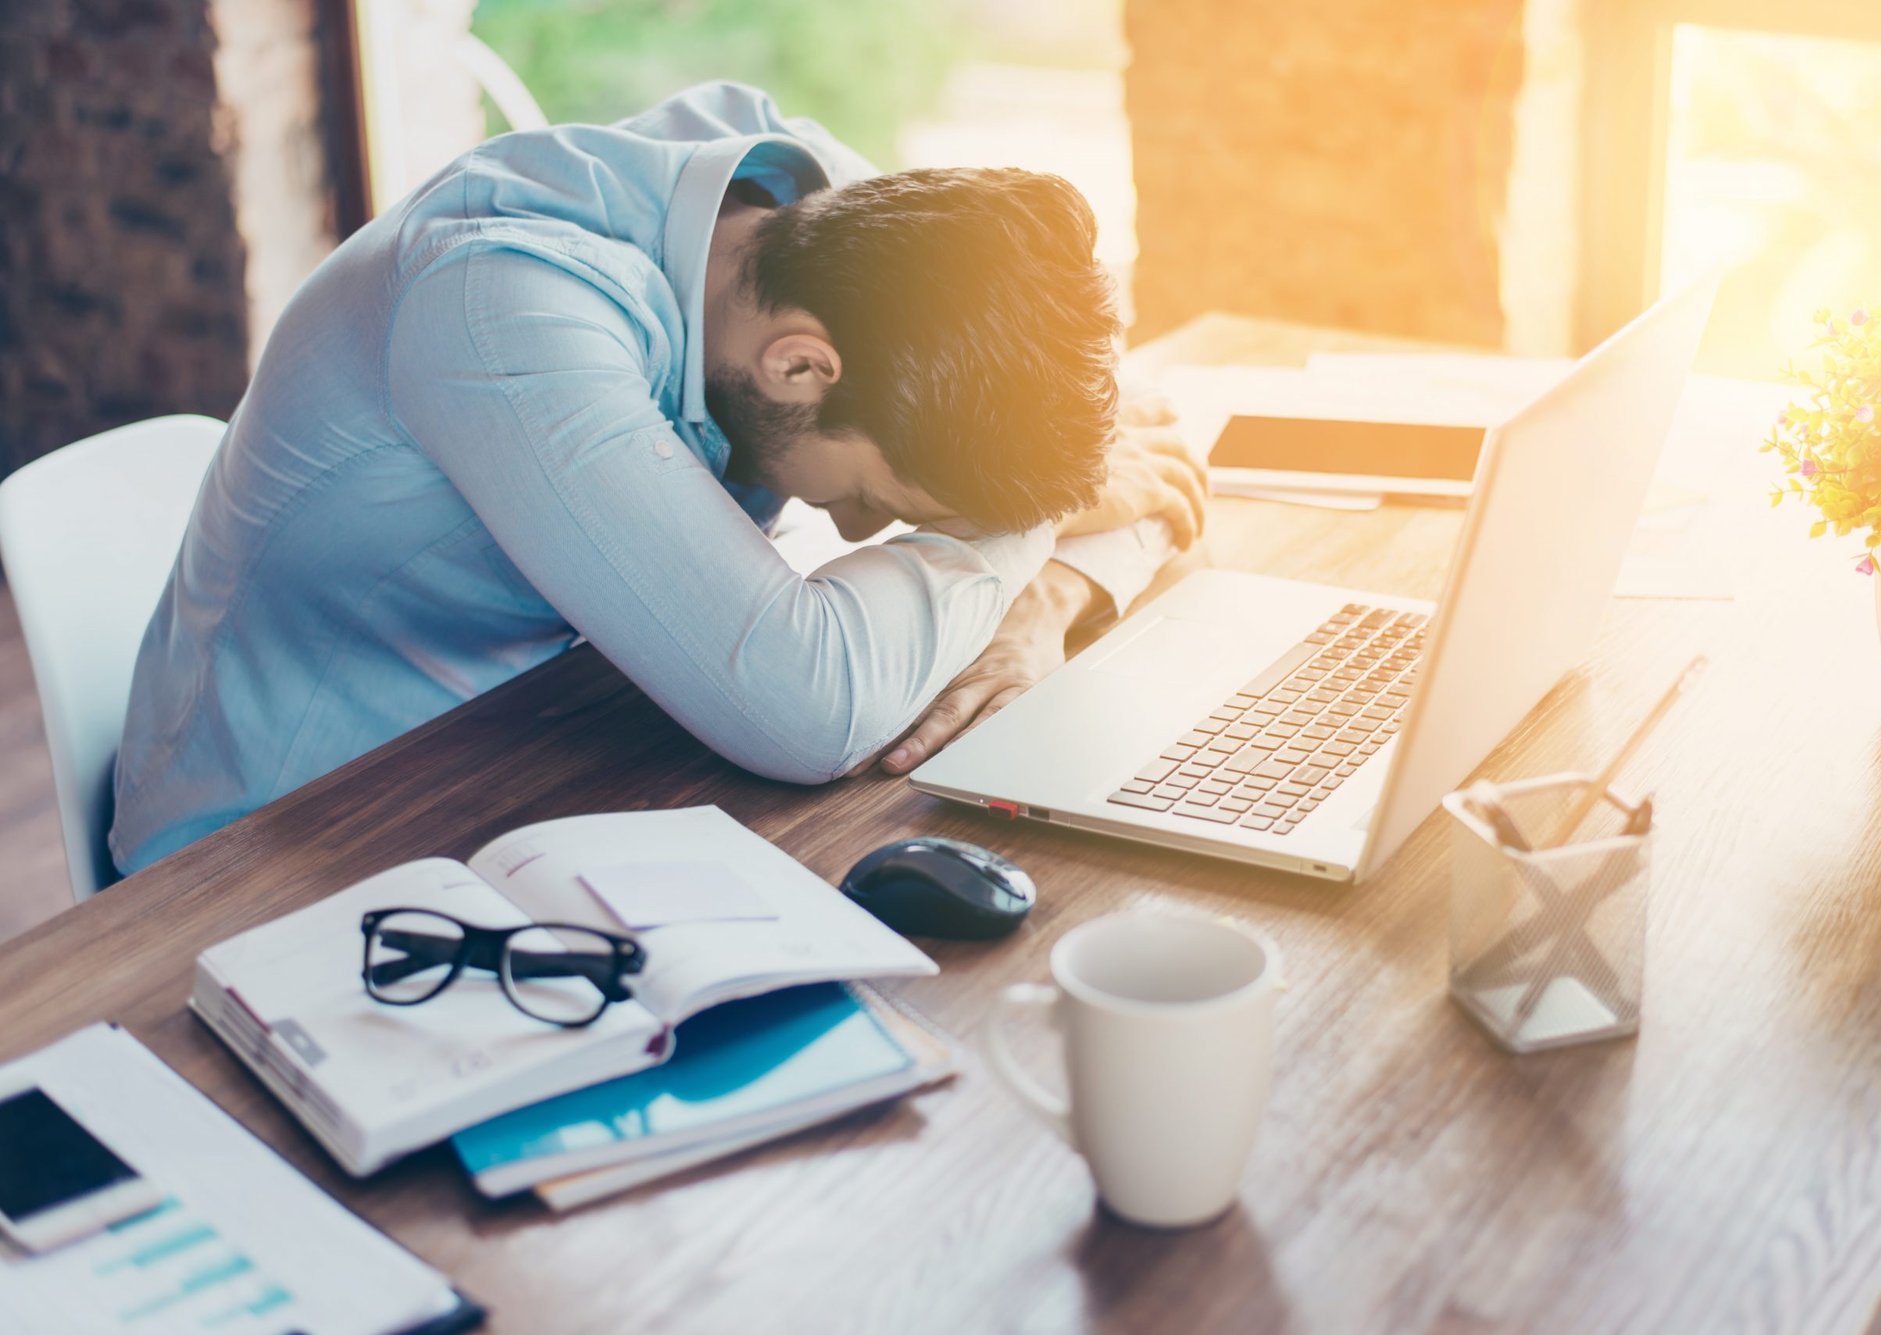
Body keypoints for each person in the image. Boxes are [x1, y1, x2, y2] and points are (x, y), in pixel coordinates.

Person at [109, 80, 1203, 874]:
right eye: (886, 495)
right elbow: (802, 707)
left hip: (548, 755)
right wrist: (1020, 532)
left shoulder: (808, 221)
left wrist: (1045, 586)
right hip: (282, 853)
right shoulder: (501, 308)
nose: (864, 528)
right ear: (798, 366)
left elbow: (1143, 444)